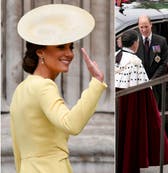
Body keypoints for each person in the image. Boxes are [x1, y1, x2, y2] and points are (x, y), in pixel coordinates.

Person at [10, 4, 107, 173]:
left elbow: (17, 149)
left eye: (71, 47)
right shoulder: (44, 86)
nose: (69, 54)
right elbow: (71, 124)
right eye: (61, 47)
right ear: (40, 52)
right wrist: (96, 83)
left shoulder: (21, 89)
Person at [115, 30, 168, 173]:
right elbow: (142, 91)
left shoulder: (116, 56)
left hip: (118, 102)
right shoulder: (134, 61)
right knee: (130, 135)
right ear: (135, 43)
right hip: (130, 102)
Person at [136, 15, 168, 107]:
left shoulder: (161, 41)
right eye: (141, 27)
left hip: (155, 84)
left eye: (146, 26)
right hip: (139, 84)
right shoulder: (135, 41)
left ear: (151, 25)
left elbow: (163, 63)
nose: (144, 30)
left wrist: (152, 81)